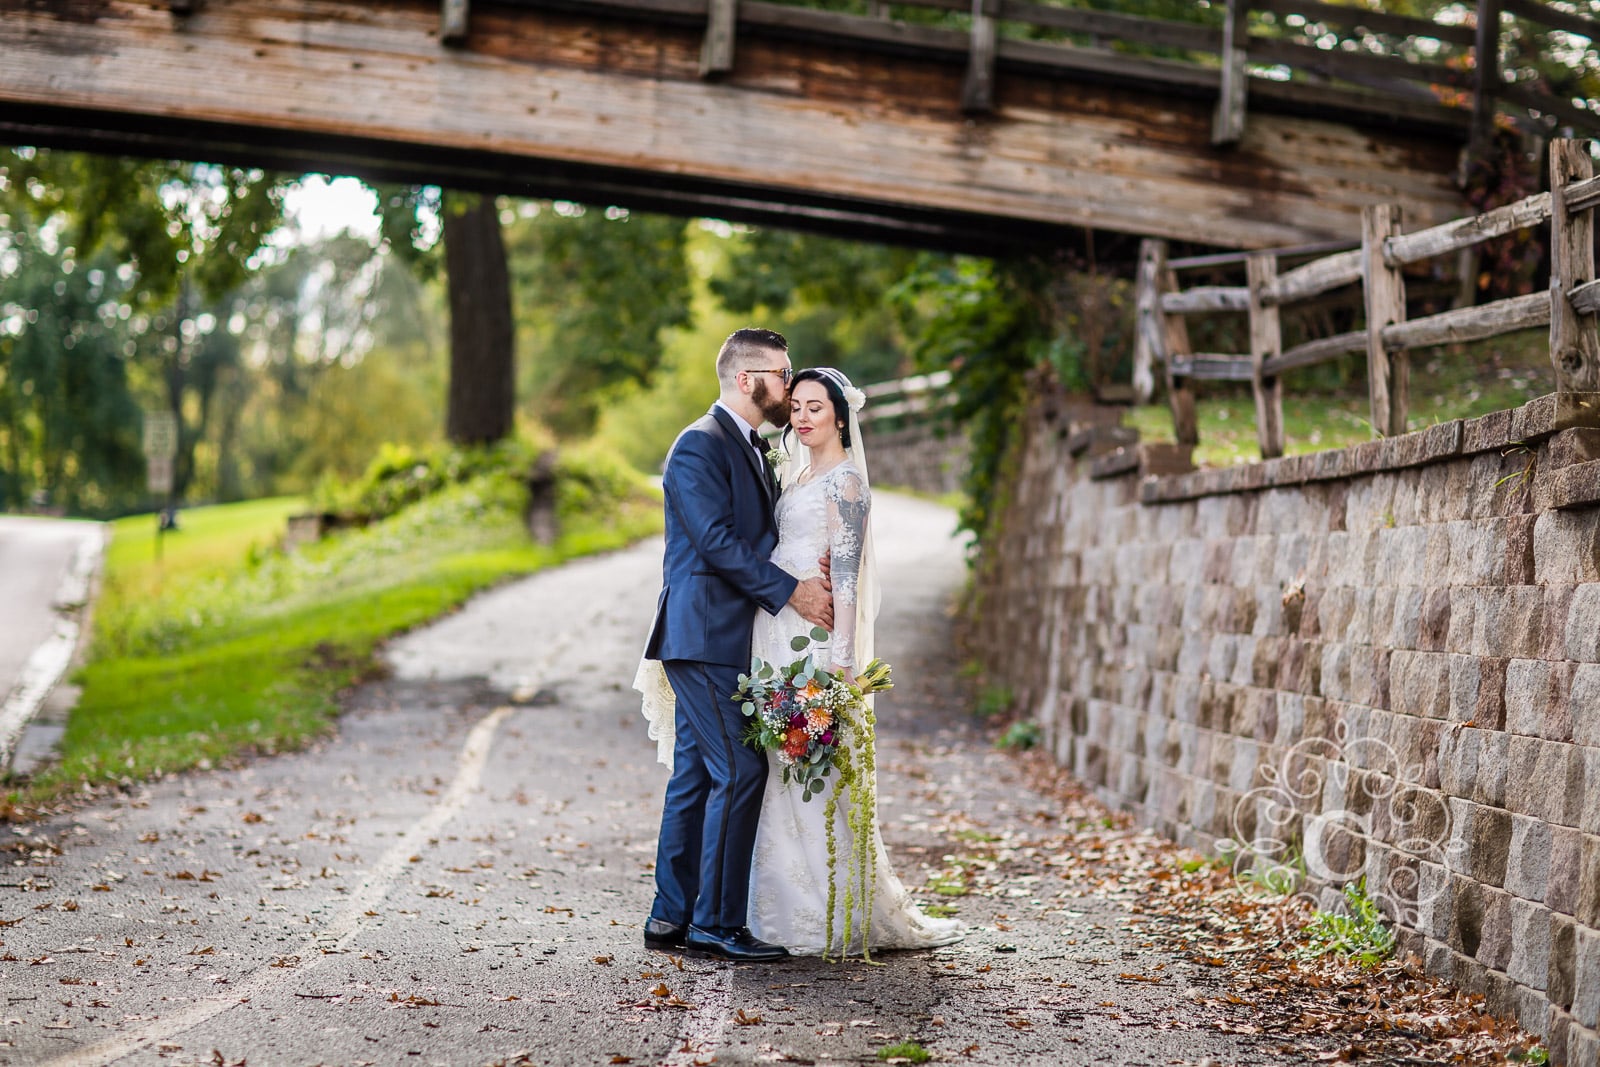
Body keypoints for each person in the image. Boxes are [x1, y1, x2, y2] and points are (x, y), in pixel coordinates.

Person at [742, 367, 964, 957]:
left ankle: (827, 911)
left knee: (814, 771)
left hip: (814, 644)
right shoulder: (795, 475)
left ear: (841, 415)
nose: (804, 416)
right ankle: (770, 908)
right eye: (797, 407)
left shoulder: (847, 485)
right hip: (773, 635)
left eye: (817, 407)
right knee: (776, 769)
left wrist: (841, 670)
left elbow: (845, 580)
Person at [635, 328, 834, 964]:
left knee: (696, 773)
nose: (790, 382)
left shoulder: (748, 444)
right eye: (782, 372)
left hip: (725, 635)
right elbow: (717, 542)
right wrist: (793, 593)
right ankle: (716, 925)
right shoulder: (699, 445)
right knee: (741, 769)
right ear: (749, 381)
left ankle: (671, 917)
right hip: (703, 635)